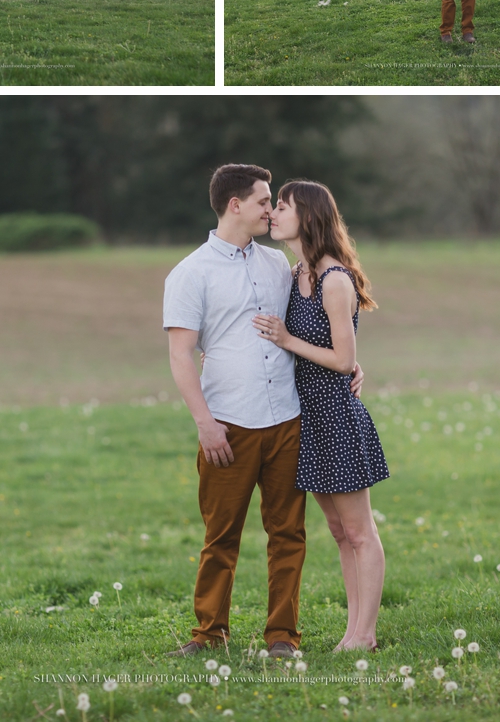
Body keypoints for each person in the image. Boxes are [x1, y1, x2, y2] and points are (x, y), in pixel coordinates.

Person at [163, 164, 363, 659]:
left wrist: (352, 365)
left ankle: (282, 638)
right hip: (228, 424)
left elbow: (323, 326)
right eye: (263, 201)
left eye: (275, 203)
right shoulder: (191, 273)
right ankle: (209, 635)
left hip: (288, 420)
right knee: (221, 535)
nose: (270, 210)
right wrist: (205, 423)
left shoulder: (279, 265)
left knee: (288, 534)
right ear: (236, 205)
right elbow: (179, 354)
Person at [253, 180, 388, 652]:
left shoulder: (334, 279)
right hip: (305, 419)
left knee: (359, 531)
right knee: (337, 531)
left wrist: (287, 339)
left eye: (282, 207)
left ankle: (364, 634)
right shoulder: (296, 274)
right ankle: (354, 632)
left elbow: (343, 360)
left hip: (334, 417)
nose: (273, 214)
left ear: (306, 216)